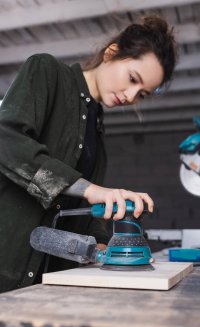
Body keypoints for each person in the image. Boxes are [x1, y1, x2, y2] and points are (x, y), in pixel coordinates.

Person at [0, 15, 177, 292]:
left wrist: (104, 245)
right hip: (7, 265)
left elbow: (90, 212)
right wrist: (91, 189)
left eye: (141, 94)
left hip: (50, 281)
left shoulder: (97, 129)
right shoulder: (46, 71)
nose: (131, 97)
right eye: (132, 79)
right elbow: (6, 140)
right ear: (112, 53)